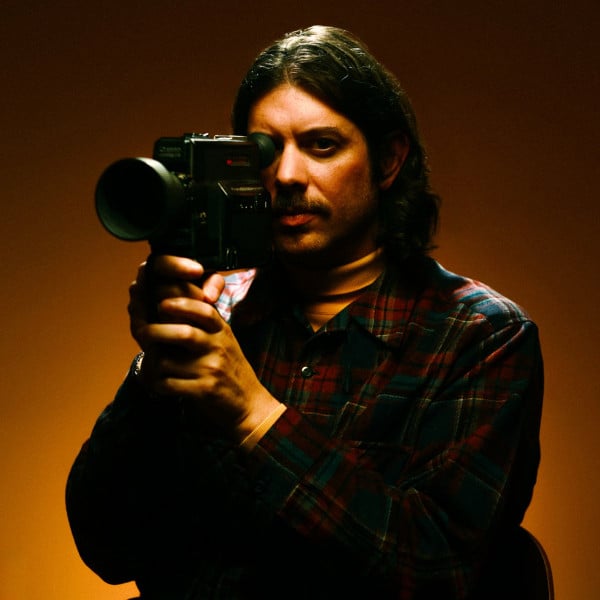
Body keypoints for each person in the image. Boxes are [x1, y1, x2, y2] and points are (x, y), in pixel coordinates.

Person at [66, 25, 544, 599]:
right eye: (265, 151)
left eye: (321, 146)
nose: (288, 176)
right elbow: (107, 546)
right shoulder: (219, 305)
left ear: (389, 160)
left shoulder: (481, 335)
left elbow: (438, 575)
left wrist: (254, 415)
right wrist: (153, 370)